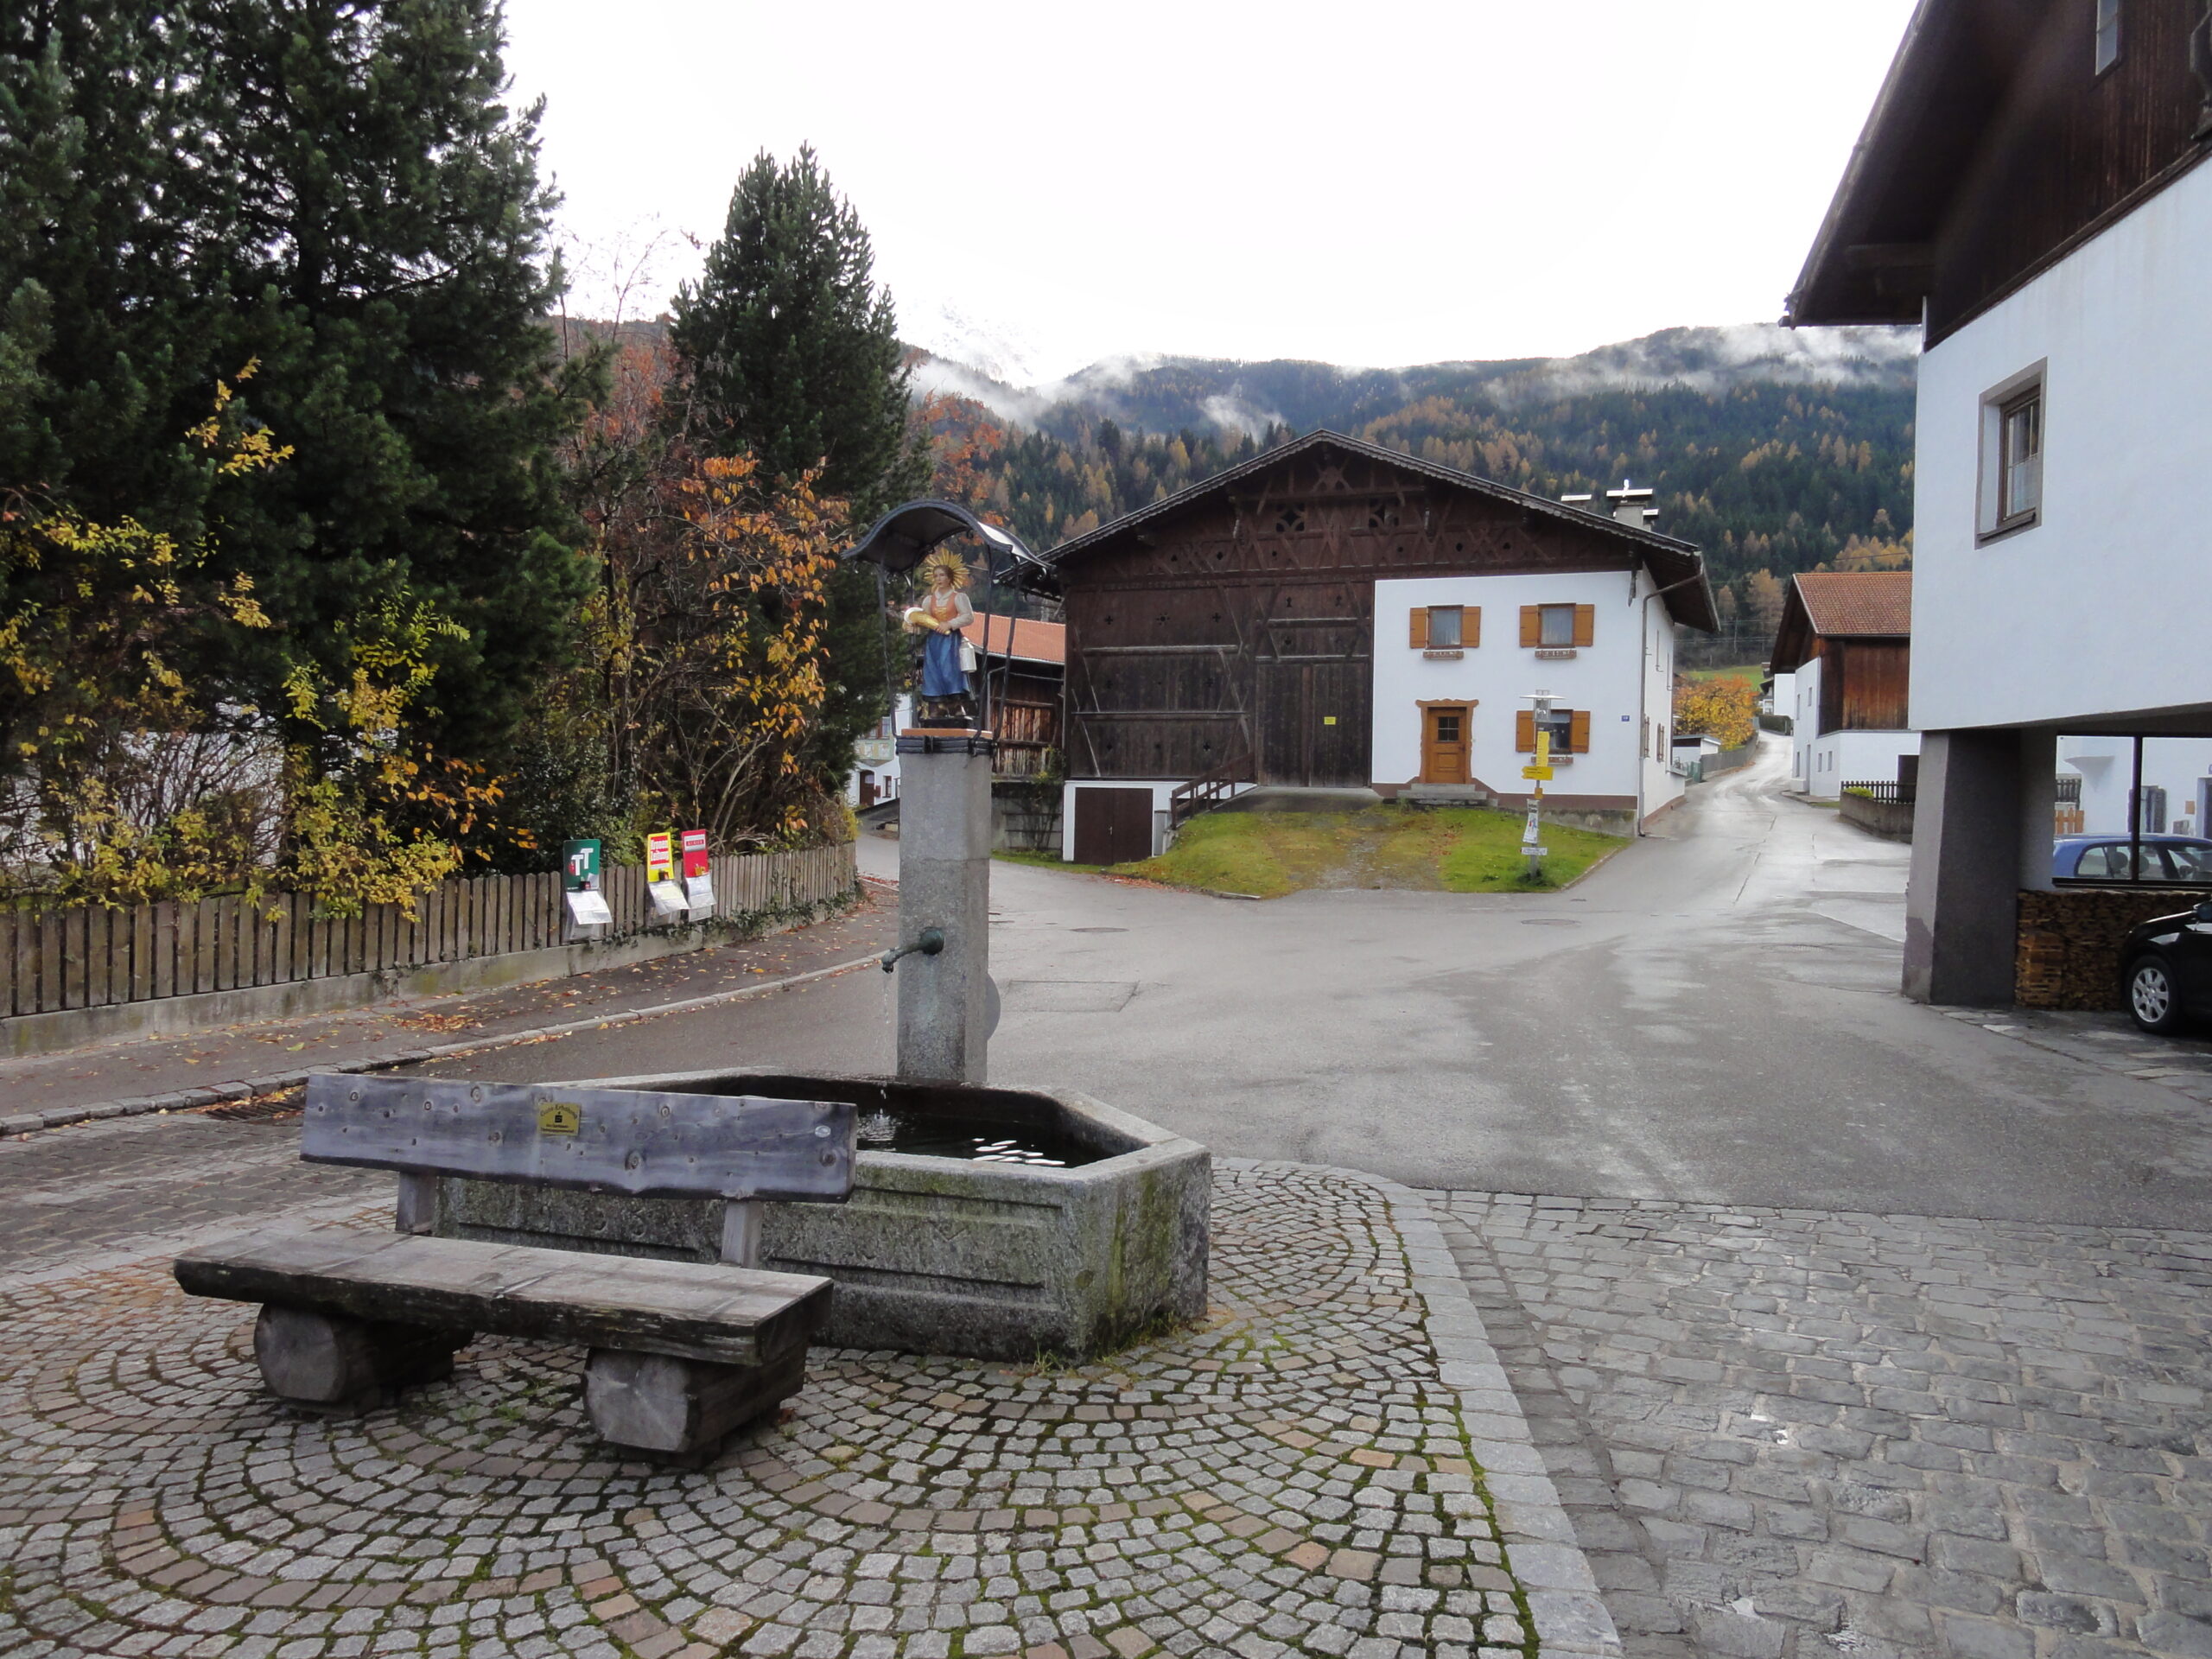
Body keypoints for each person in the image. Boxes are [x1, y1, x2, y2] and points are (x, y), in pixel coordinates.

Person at [903, 549, 976, 724]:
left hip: (951, 640)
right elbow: (925, 620)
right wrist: (912, 625)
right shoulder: (929, 600)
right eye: (936, 576)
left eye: (942, 575)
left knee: (951, 670)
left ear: (950, 577)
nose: (938, 579)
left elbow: (969, 616)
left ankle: (957, 704)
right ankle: (936, 706)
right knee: (933, 671)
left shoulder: (959, 597)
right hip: (934, 641)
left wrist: (950, 623)